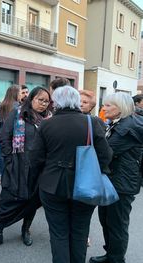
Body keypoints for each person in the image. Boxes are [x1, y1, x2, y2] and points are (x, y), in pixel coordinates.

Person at [30, 86, 112, 263]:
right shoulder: (93, 122)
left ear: (56, 102)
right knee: (80, 232)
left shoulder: (46, 124)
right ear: (76, 101)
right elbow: (106, 156)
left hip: (52, 184)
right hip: (86, 185)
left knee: (58, 233)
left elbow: (35, 159)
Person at [0, 87, 52, 251]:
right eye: (40, 99)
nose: (43, 104)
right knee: (7, 200)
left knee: (32, 201)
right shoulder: (18, 113)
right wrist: (8, 160)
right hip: (17, 166)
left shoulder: (49, 119)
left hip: (37, 169)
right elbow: (4, 137)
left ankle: (25, 230)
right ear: (31, 98)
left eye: (46, 101)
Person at [89, 92, 143, 263]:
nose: (103, 108)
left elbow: (106, 152)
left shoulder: (127, 128)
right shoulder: (121, 123)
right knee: (106, 220)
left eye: (108, 105)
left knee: (117, 224)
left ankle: (116, 259)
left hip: (122, 184)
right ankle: (111, 254)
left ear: (121, 109)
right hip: (115, 181)